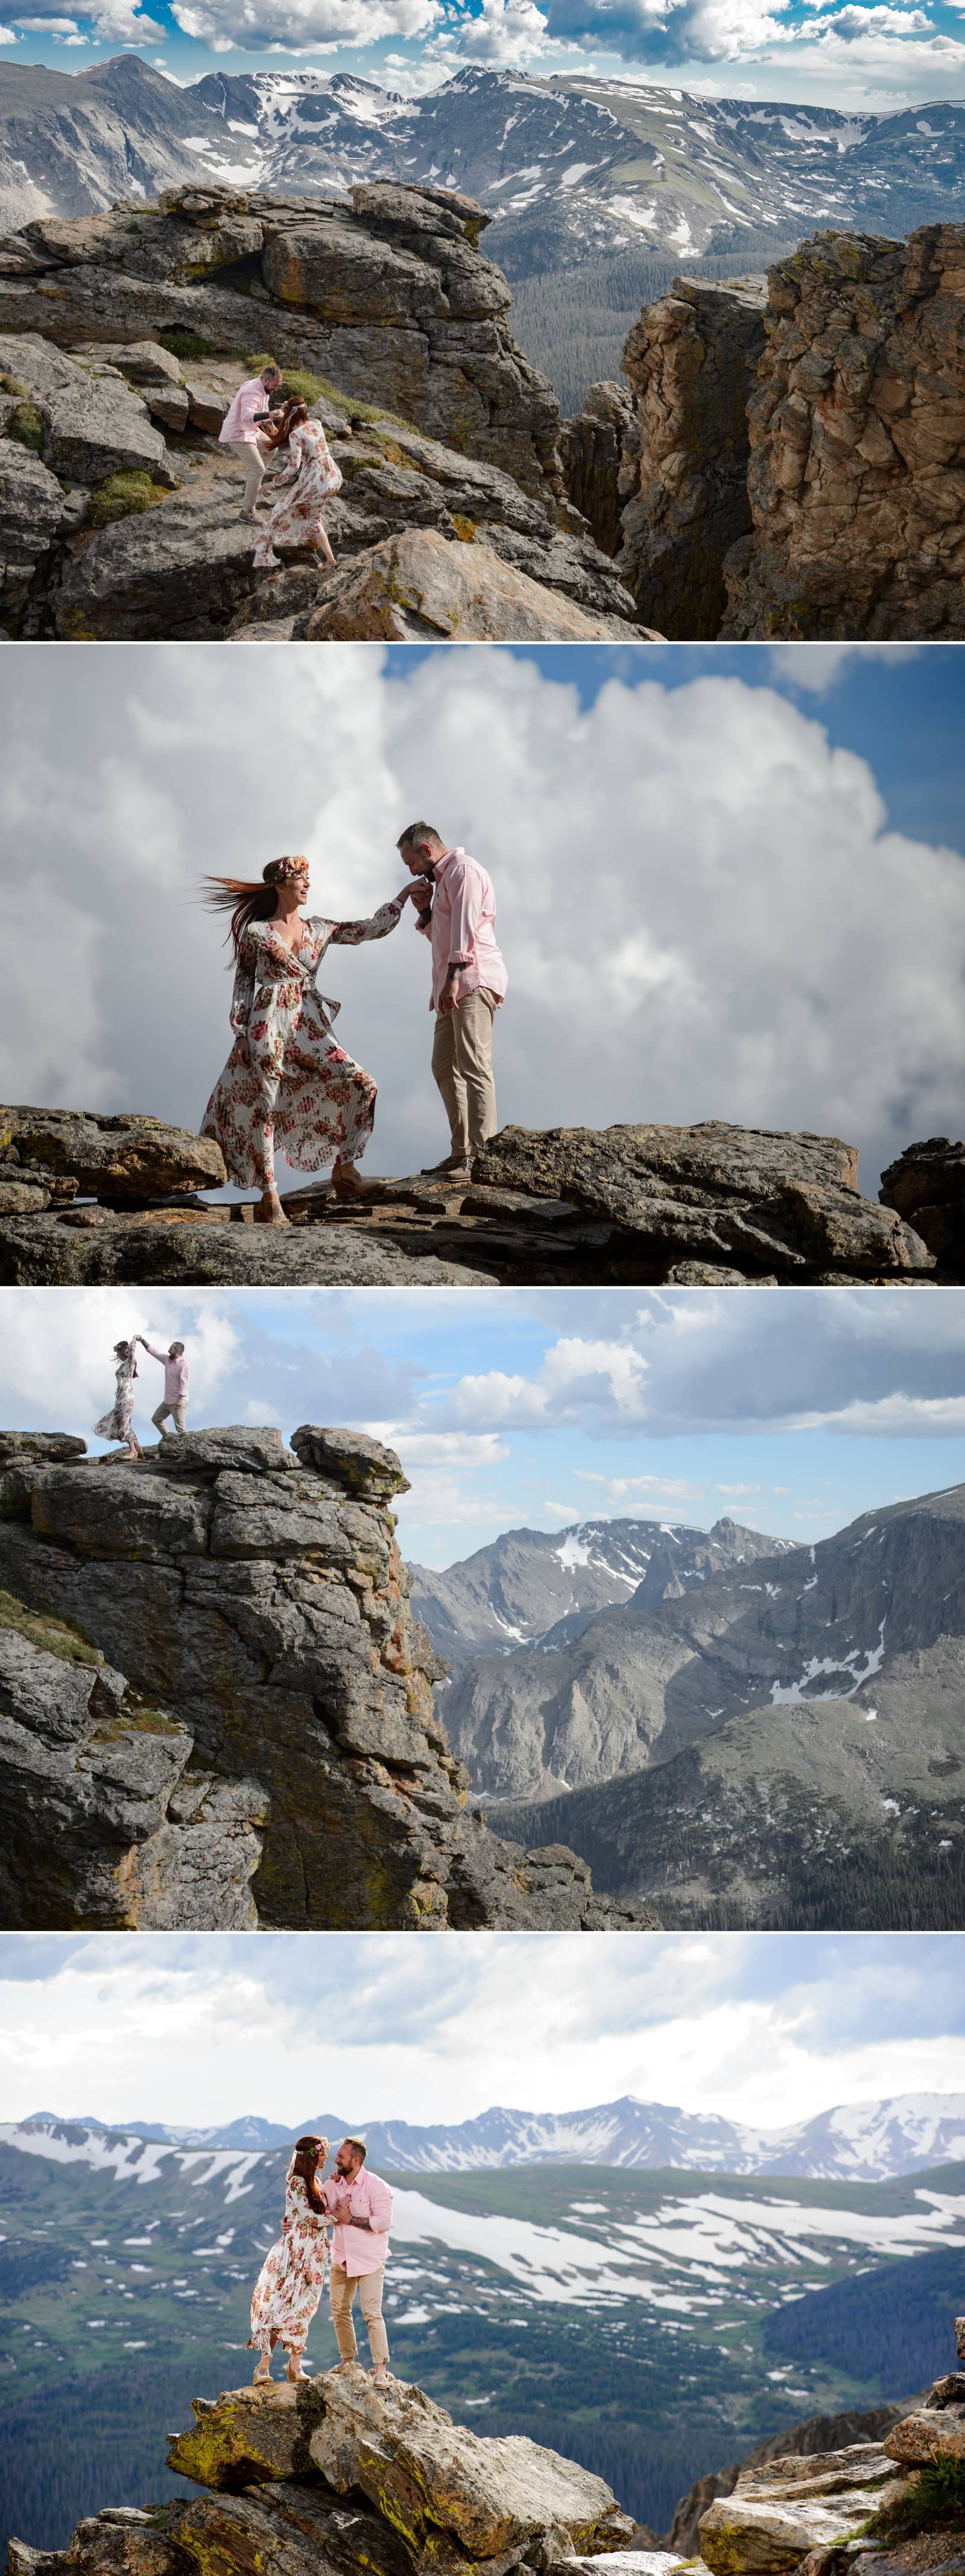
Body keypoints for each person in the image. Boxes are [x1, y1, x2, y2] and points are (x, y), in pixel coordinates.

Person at [200, 854, 422, 1226]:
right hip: (267, 1021)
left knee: (362, 1083)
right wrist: (240, 1032)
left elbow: (369, 929)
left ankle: (346, 1171)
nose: (307, 884)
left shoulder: (320, 929)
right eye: (300, 878)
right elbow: (243, 982)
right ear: (279, 884)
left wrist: (401, 897)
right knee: (267, 1104)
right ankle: (270, 1195)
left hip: (309, 1023)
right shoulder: (256, 933)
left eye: (308, 878)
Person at [396, 823, 508, 1184]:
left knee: (475, 1064)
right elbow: (443, 935)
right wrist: (426, 912)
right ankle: (461, 1151)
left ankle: (481, 1156)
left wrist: (453, 977)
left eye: (411, 862)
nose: (412, 871)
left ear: (427, 851)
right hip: (452, 985)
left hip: (470, 981)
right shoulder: (444, 880)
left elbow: (465, 929)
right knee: (444, 1064)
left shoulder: (463, 872)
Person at [248, 2134, 331, 2385]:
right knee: (280, 2306)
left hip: (313, 2255)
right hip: (295, 2253)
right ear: (313, 2156)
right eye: (323, 2153)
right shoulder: (296, 2182)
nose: (326, 2157)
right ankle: (263, 2366)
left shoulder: (316, 2181)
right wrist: (338, 2217)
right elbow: (309, 2217)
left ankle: (295, 2365)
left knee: (305, 2307)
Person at [320, 2136, 395, 2385]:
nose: (336, 2160)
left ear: (355, 2160)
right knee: (339, 2309)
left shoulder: (377, 2186)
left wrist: (351, 2219)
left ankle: (381, 2370)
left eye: (341, 2157)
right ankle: (348, 2362)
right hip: (341, 2257)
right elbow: (315, 2211)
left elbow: (384, 2222)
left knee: (372, 2312)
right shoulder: (332, 2186)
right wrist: (288, 2221)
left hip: (371, 2259)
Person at [252, 398, 342, 573]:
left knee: (282, 509)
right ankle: (330, 560)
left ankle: (264, 551)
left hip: (316, 480)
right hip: (333, 475)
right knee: (314, 517)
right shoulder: (317, 423)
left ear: (290, 415)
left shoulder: (296, 435)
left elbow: (294, 466)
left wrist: (273, 484)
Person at [219, 362, 285, 522]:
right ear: (265, 380)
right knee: (258, 469)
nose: (276, 389)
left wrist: (277, 436)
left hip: (250, 430)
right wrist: (270, 413)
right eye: (275, 386)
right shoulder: (252, 392)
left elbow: (264, 417)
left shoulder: (264, 389)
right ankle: (247, 513)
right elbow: (247, 415)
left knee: (271, 448)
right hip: (238, 433)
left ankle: (252, 486)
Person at [92, 1340, 142, 1464]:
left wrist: (135, 1339)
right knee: (123, 1423)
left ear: (124, 1350)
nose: (118, 1355)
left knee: (124, 1424)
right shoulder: (125, 1363)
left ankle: (132, 1451)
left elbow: (132, 1351)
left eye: (119, 1351)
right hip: (121, 1397)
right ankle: (139, 1450)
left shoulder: (131, 1361)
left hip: (126, 1397)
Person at [134, 1336, 189, 1437]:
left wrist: (181, 1399)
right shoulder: (168, 1360)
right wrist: (142, 1340)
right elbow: (155, 1352)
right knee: (156, 1419)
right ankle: (169, 1439)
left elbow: (184, 1383)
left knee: (181, 1429)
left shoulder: (183, 1365)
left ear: (177, 1351)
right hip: (168, 1401)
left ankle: (187, 1450)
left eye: (171, 1348)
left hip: (179, 1401)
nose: (169, 1350)